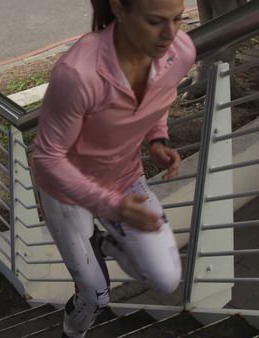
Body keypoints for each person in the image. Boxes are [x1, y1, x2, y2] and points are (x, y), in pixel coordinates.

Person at [31, 0, 196, 337]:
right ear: (120, 9)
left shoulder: (180, 51)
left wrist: (158, 139)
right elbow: (46, 159)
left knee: (164, 279)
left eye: (178, 18)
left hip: (124, 179)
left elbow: (159, 98)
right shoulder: (78, 73)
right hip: (67, 192)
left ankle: (104, 243)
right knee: (96, 295)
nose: (170, 34)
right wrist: (109, 205)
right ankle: (72, 332)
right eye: (155, 21)